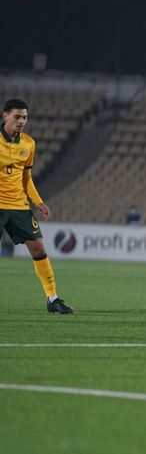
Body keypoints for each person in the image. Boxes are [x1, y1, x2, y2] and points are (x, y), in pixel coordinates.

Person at [0, 98, 72, 314]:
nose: (21, 121)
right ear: (5, 116)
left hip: (19, 205)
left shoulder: (29, 143)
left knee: (39, 248)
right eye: (17, 117)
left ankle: (53, 299)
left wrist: (38, 202)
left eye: (25, 117)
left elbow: (26, 176)